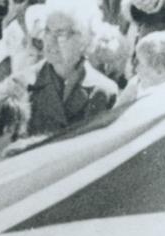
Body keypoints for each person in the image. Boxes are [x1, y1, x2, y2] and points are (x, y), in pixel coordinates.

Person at [26, 0, 116, 137]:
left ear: (84, 38)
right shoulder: (22, 83)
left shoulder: (104, 91)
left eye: (61, 34)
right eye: (47, 31)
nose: (50, 41)